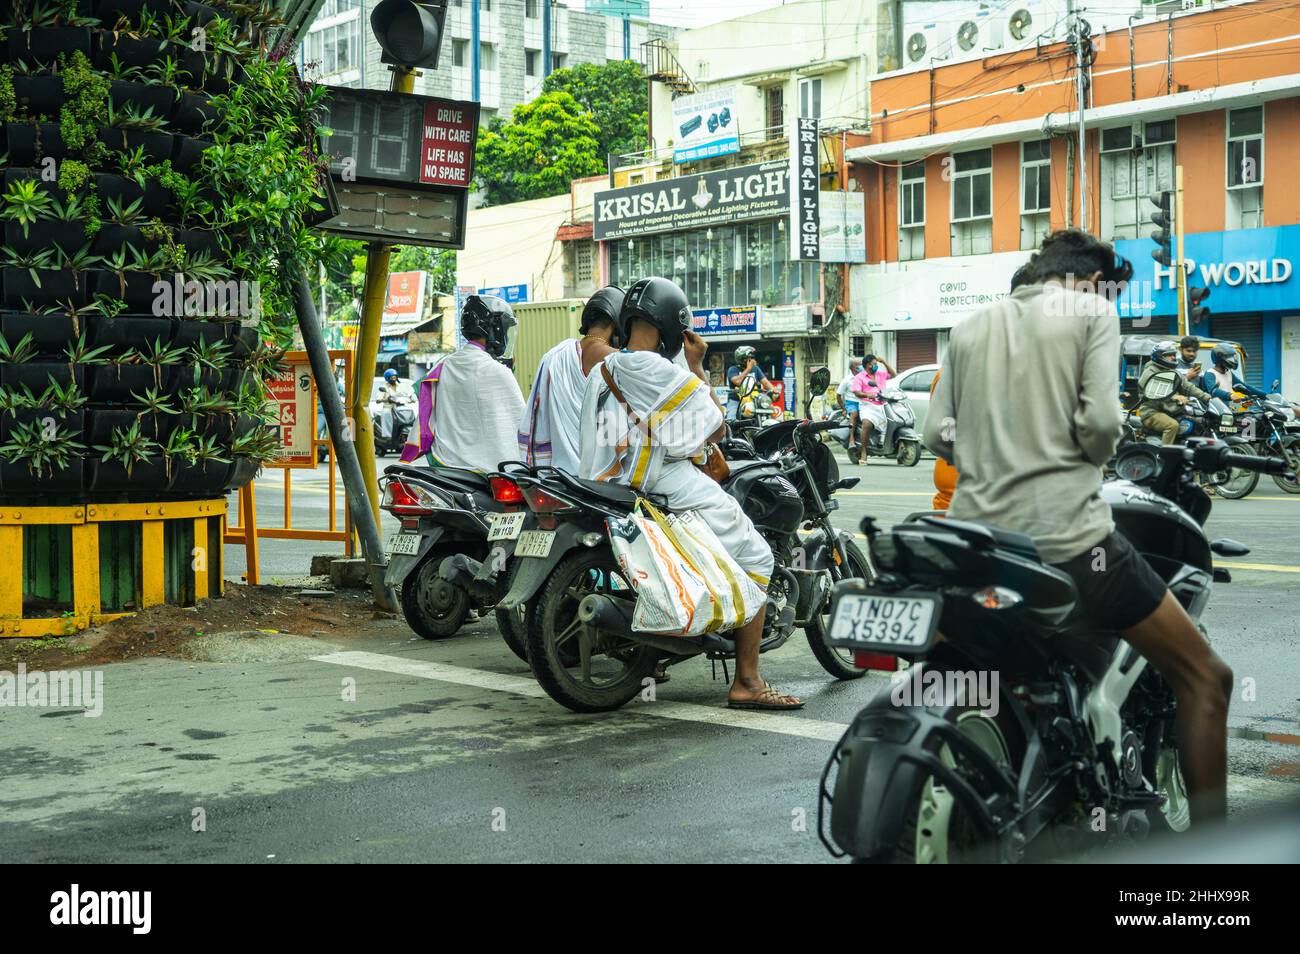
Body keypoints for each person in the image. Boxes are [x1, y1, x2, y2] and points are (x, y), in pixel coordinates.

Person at [925, 228, 1234, 825]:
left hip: (974, 546)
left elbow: (936, 433)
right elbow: (1099, 428)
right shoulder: (1091, 312)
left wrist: (994, 455)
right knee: (1206, 678)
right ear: (1093, 281)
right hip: (1070, 544)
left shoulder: (972, 325)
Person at [578, 277, 800, 711]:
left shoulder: (603, 371)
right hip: (662, 486)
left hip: (606, 487)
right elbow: (714, 425)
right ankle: (748, 681)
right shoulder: (657, 369)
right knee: (757, 556)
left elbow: (665, 428)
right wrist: (696, 365)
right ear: (671, 325)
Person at [400, 295, 524, 471]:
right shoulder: (497, 372)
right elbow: (519, 427)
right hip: (490, 472)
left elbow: (427, 418)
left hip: (446, 467)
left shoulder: (443, 366)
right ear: (495, 328)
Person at [519, 286, 625, 474]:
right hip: (604, 483)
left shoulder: (553, 357)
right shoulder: (620, 362)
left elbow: (535, 421)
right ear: (617, 325)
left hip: (560, 481)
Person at [1138, 341, 1213, 445]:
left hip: (1171, 411)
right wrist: (1175, 397)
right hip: (1152, 412)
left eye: (1174, 355)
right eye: (1169, 355)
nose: (1173, 357)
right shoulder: (1150, 372)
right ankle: (1165, 455)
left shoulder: (1173, 371)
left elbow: (1188, 387)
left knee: (1199, 422)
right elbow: (1153, 390)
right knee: (1172, 426)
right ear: (1159, 356)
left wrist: (1208, 398)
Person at [851, 354, 896, 464]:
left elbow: (893, 374)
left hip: (882, 404)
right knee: (867, 424)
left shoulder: (880, 374)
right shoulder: (859, 377)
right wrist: (868, 395)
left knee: (893, 422)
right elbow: (857, 392)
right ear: (868, 365)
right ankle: (864, 452)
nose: (876, 366)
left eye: (877, 364)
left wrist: (884, 362)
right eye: (874, 364)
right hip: (867, 405)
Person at [1199, 342, 1266, 402]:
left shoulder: (1228, 373)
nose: (1233, 360)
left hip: (1227, 410)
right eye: (1229, 357)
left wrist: (1266, 396)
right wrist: (1230, 396)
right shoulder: (1210, 374)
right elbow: (1213, 390)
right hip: (1214, 410)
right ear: (1219, 358)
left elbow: (1245, 386)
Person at [726, 345, 773, 419]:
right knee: (732, 418)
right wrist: (748, 368)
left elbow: (765, 382)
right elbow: (738, 382)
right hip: (736, 401)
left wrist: (773, 389)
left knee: (769, 412)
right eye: (749, 358)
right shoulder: (733, 369)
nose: (751, 360)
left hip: (754, 400)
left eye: (751, 358)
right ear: (742, 359)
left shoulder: (756, 369)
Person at [837, 357, 863, 453]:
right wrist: (843, 409)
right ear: (852, 367)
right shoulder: (846, 380)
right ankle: (851, 440)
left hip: (864, 402)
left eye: (862, 364)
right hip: (851, 403)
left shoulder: (865, 377)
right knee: (854, 414)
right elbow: (838, 395)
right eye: (858, 365)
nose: (861, 367)